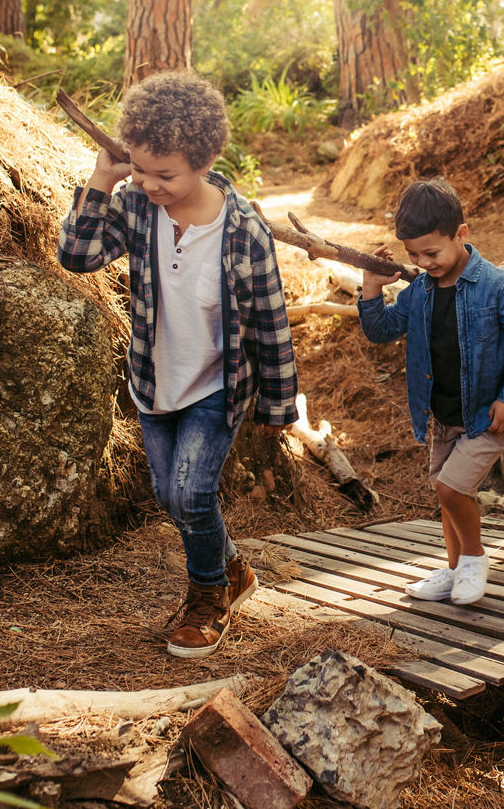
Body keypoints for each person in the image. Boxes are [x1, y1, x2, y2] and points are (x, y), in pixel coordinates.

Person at [56, 71, 298, 658]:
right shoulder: (137, 208)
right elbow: (77, 254)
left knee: (190, 494)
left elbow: (270, 320)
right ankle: (234, 567)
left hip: (218, 386)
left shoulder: (243, 230)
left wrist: (278, 405)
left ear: (205, 159)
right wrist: (104, 179)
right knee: (171, 494)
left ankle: (207, 598)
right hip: (154, 380)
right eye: (141, 170)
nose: (151, 184)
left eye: (165, 174)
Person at [359, 179, 504, 605]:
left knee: (450, 489)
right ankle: (456, 567)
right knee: (446, 493)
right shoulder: (419, 292)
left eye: (432, 253)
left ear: (461, 234)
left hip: (487, 415)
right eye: (413, 256)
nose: (423, 263)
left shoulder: (497, 286)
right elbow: (381, 330)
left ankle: (475, 560)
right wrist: (372, 286)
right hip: (443, 417)